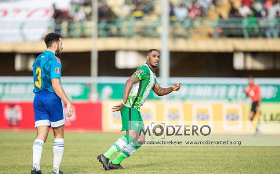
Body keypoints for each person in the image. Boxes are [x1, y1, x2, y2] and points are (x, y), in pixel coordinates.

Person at [97, 49, 181, 170]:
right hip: (130, 106)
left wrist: (172, 88)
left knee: (140, 140)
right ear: (148, 57)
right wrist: (123, 102)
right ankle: (105, 156)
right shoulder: (144, 69)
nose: (157, 58)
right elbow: (130, 81)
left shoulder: (152, 75)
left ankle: (115, 162)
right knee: (132, 136)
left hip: (136, 109)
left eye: (158, 56)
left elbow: (159, 91)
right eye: (154, 56)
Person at [31, 32, 74, 174]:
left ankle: (35, 167)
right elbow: (56, 84)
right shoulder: (55, 60)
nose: (62, 47)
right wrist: (68, 102)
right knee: (59, 134)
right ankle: (56, 170)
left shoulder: (37, 59)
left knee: (41, 135)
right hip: (51, 98)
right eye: (61, 44)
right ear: (55, 44)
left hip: (38, 98)